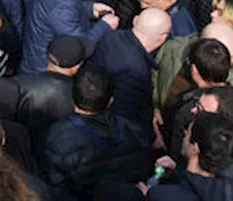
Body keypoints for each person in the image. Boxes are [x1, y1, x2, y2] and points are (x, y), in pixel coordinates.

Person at [38, 65, 153, 200]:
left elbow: (54, 190)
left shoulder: (55, 139)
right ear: (110, 101)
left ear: (73, 95)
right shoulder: (134, 131)